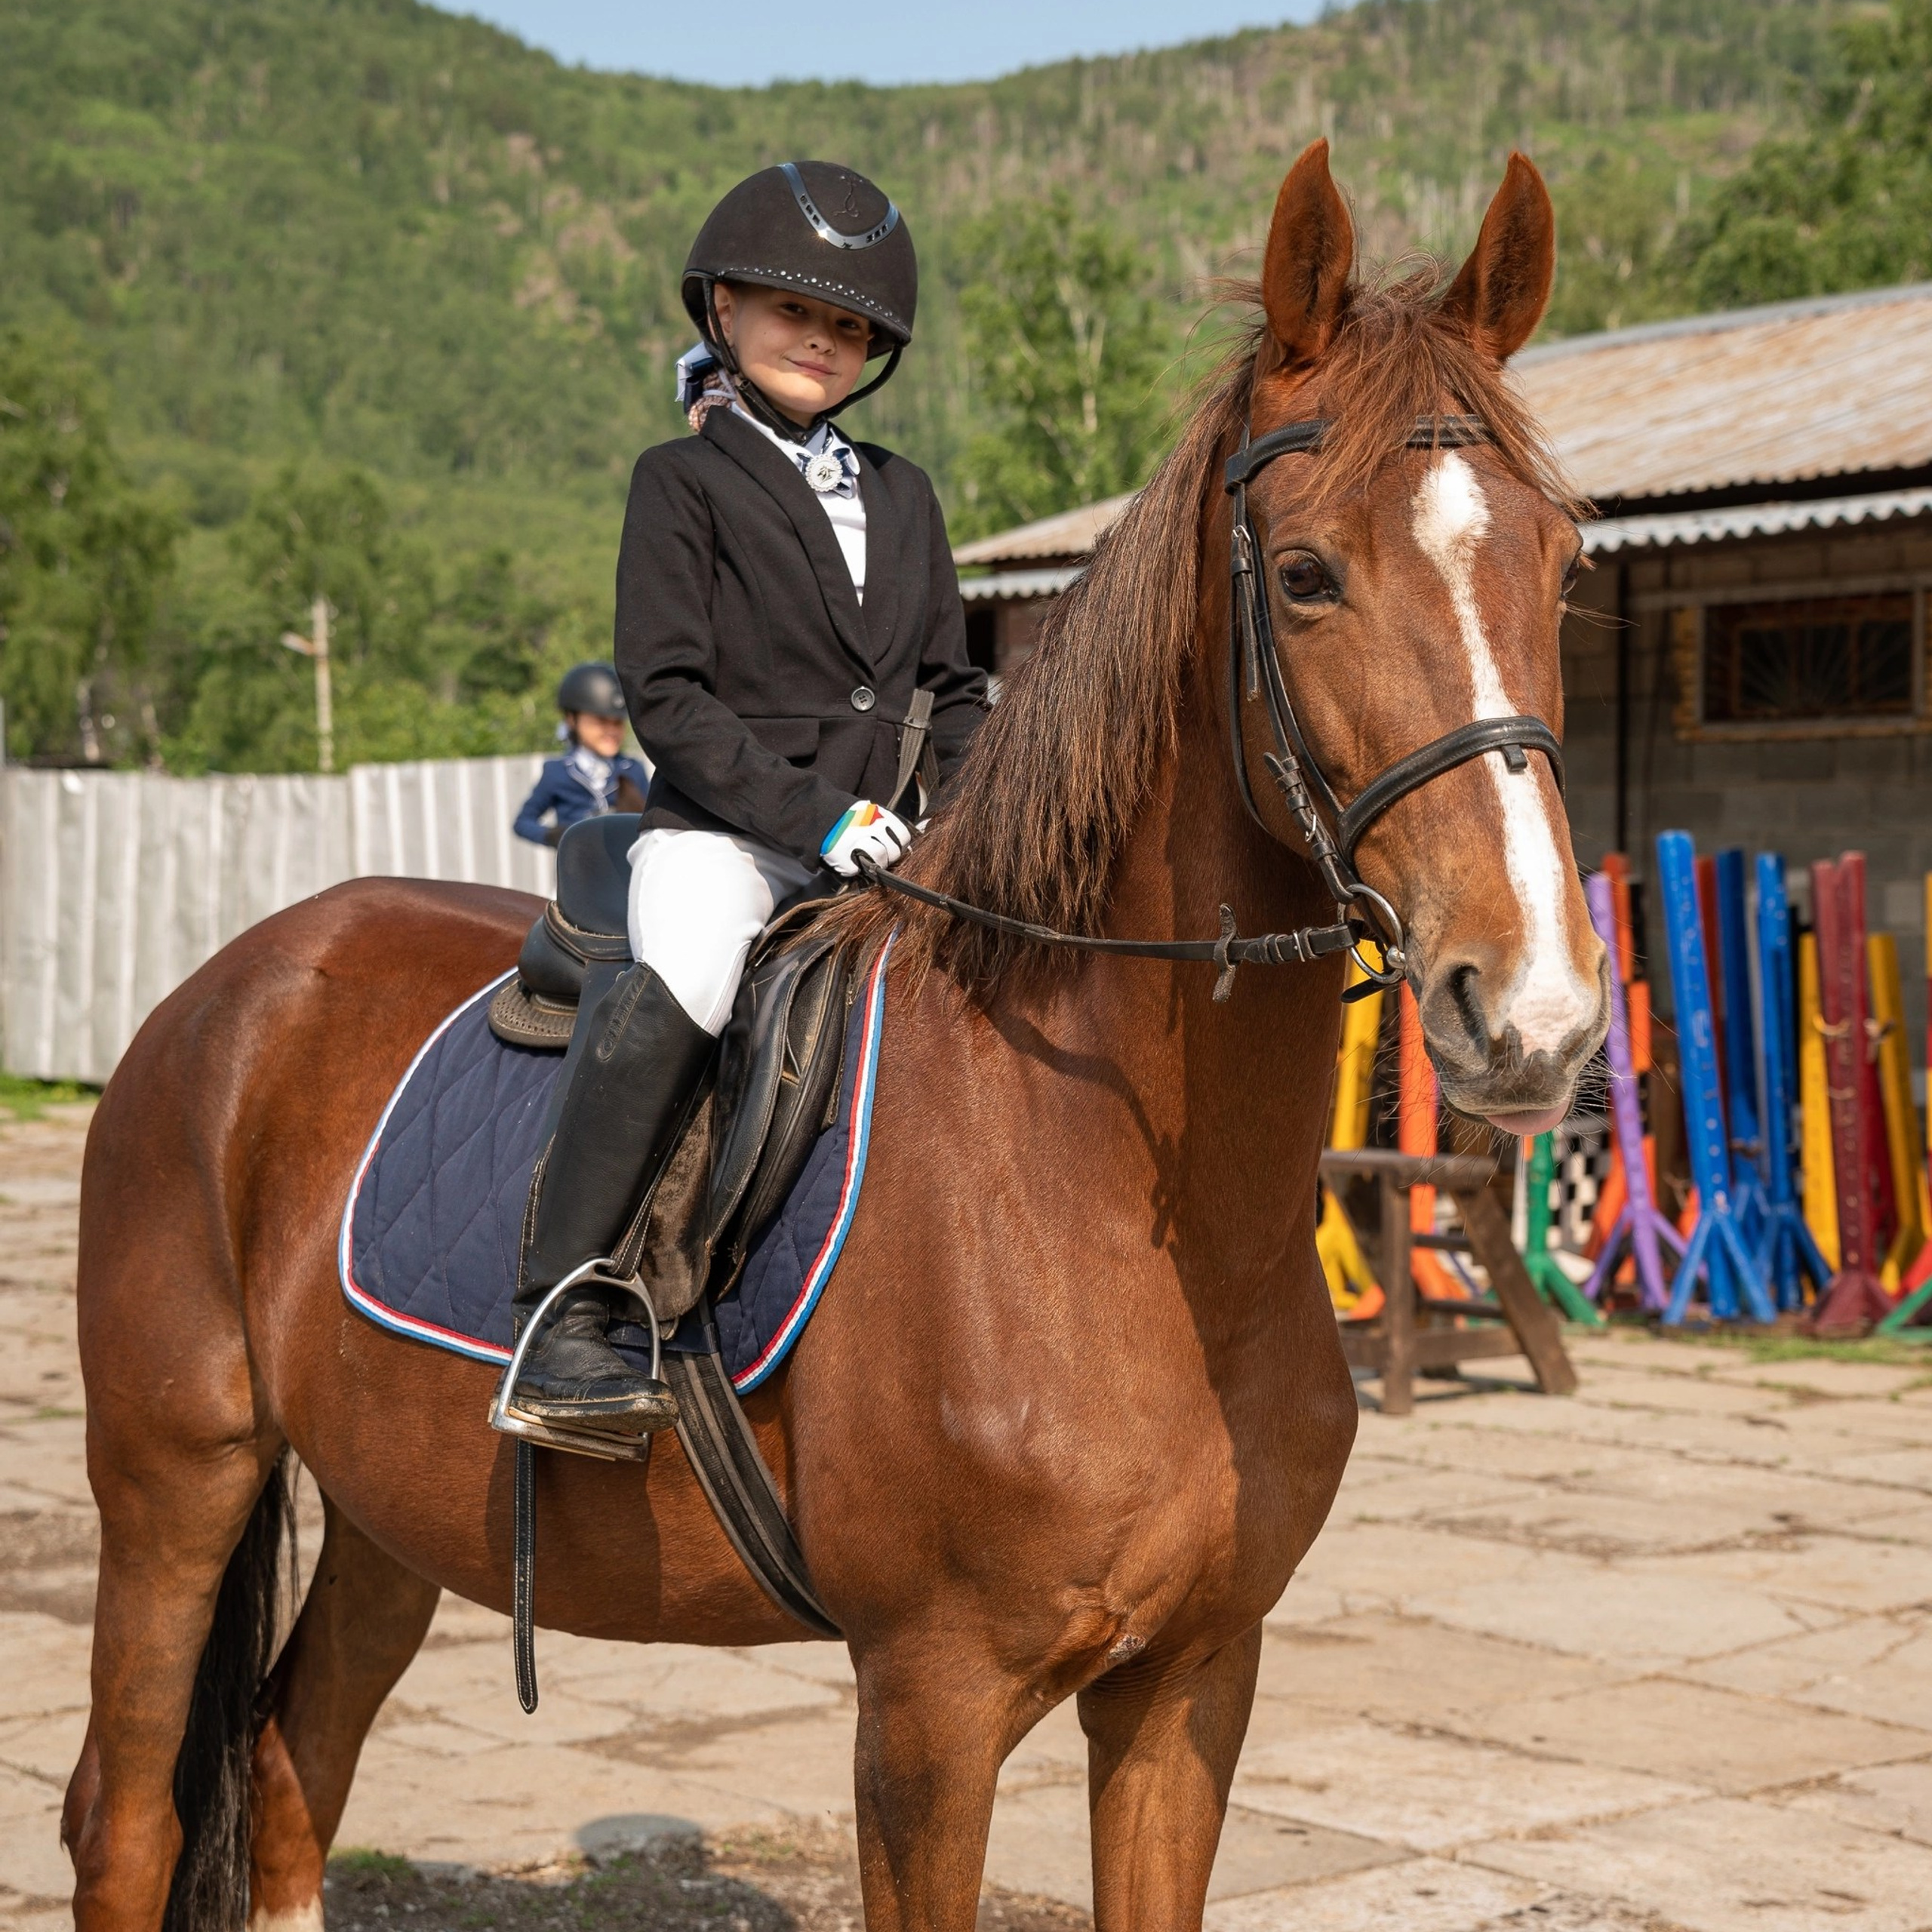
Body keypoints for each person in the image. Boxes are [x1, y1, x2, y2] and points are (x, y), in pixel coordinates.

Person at [503, 160, 988, 1441]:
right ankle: (573, 1307)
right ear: (722, 308)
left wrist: (989, 808)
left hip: (890, 846)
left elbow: (952, 684)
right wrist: (820, 819)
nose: (821, 343)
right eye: (791, 315)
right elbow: (667, 698)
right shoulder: (684, 480)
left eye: (845, 328)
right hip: (730, 835)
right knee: (702, 958)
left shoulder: (905, 493)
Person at [512, 663, 651, 847]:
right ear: (572, 719)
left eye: (617, 723)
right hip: (578, 869)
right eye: (601, 721)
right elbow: (523, 823)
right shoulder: (557, 772)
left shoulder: (633, 769)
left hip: (626, 868)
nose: (611, 730)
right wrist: (555, 836)